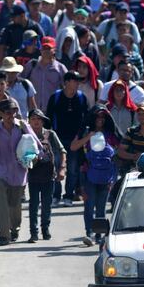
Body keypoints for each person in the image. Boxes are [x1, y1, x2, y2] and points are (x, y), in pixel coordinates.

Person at [0, 99, 39, 246]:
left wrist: (37, 155)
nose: (11, 115)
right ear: (1, 113)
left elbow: (36, 144)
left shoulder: (22, 126)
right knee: (1, 204)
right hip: (0, 172)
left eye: (14, 111)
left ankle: (15, 228)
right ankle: (4, 235)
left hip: (19, 172)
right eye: (8, 112)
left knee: (15, 206)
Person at [72, 106, 120, 246]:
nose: (100, 120)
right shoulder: (85, 132)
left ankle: (99, 235)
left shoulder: (110, 135)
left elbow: (118, 152)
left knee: (101, 207)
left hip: (106, 176)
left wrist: (114, 177)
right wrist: (88, 137)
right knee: (89, 205)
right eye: (97, 117)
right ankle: (89, 233)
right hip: (88, 175)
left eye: (103, 117)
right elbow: (74, 147)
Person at [46, 71, 89, 207]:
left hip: (75, 140)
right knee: (56, 166)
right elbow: (48, 118)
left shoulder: (82, 98)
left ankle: (68, 196)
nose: (77, 83)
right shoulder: (56, 97)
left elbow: (85, 119)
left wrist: (79, 136)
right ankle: (55, 195)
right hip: (57, 138)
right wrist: (49, 136)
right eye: (74, 80)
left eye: (78, 81)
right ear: (66, 82)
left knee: (73, 168)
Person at [27, 109, 66, 242]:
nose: (36, 121)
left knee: (46, 204)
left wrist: (62, 168)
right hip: (32, 175)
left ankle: (45, 229)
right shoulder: (26, 135)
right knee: (33, 205)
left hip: (49, 175)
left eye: (39, 119)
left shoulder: (50, 134)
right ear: (29, 121)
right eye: (33, 118)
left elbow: (62, 151)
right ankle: (33, 232)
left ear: (43, 121)